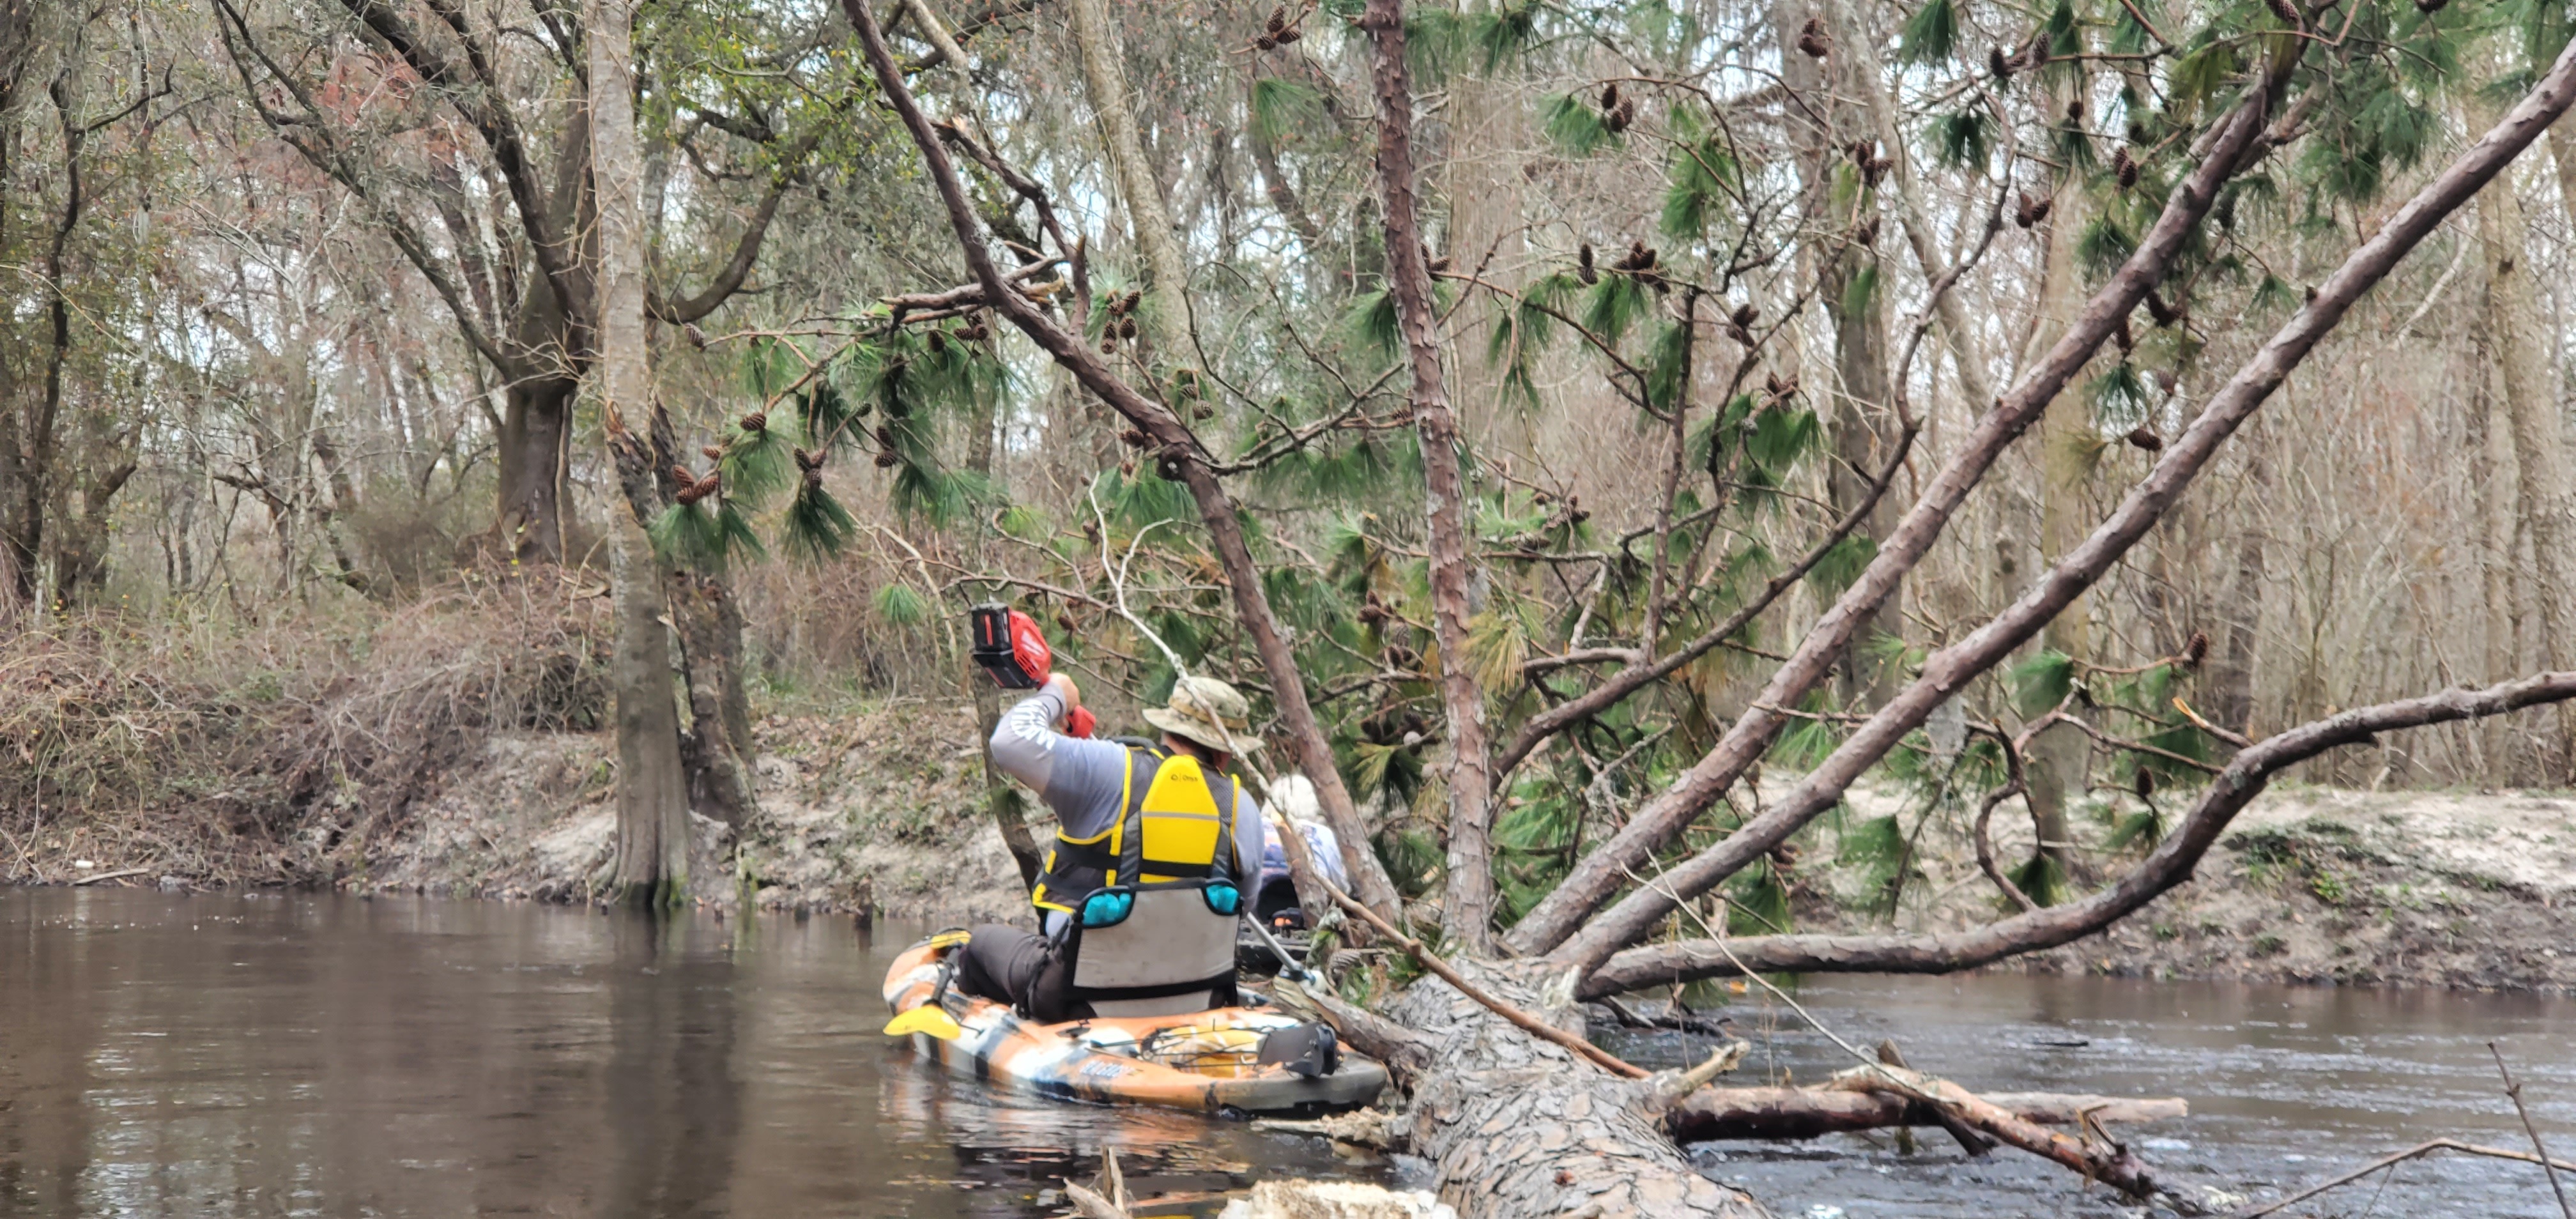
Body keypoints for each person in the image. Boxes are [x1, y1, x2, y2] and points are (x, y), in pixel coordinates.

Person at [953, 672, 1268, 1022]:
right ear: (1225, 752)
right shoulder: (1243, 808)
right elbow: (1243, 908)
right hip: (1195, 993)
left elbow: (1010, 741)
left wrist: (1058, 693)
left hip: (1081, 993)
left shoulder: (1106, 765)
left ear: (1166, 727)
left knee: (979, 945)